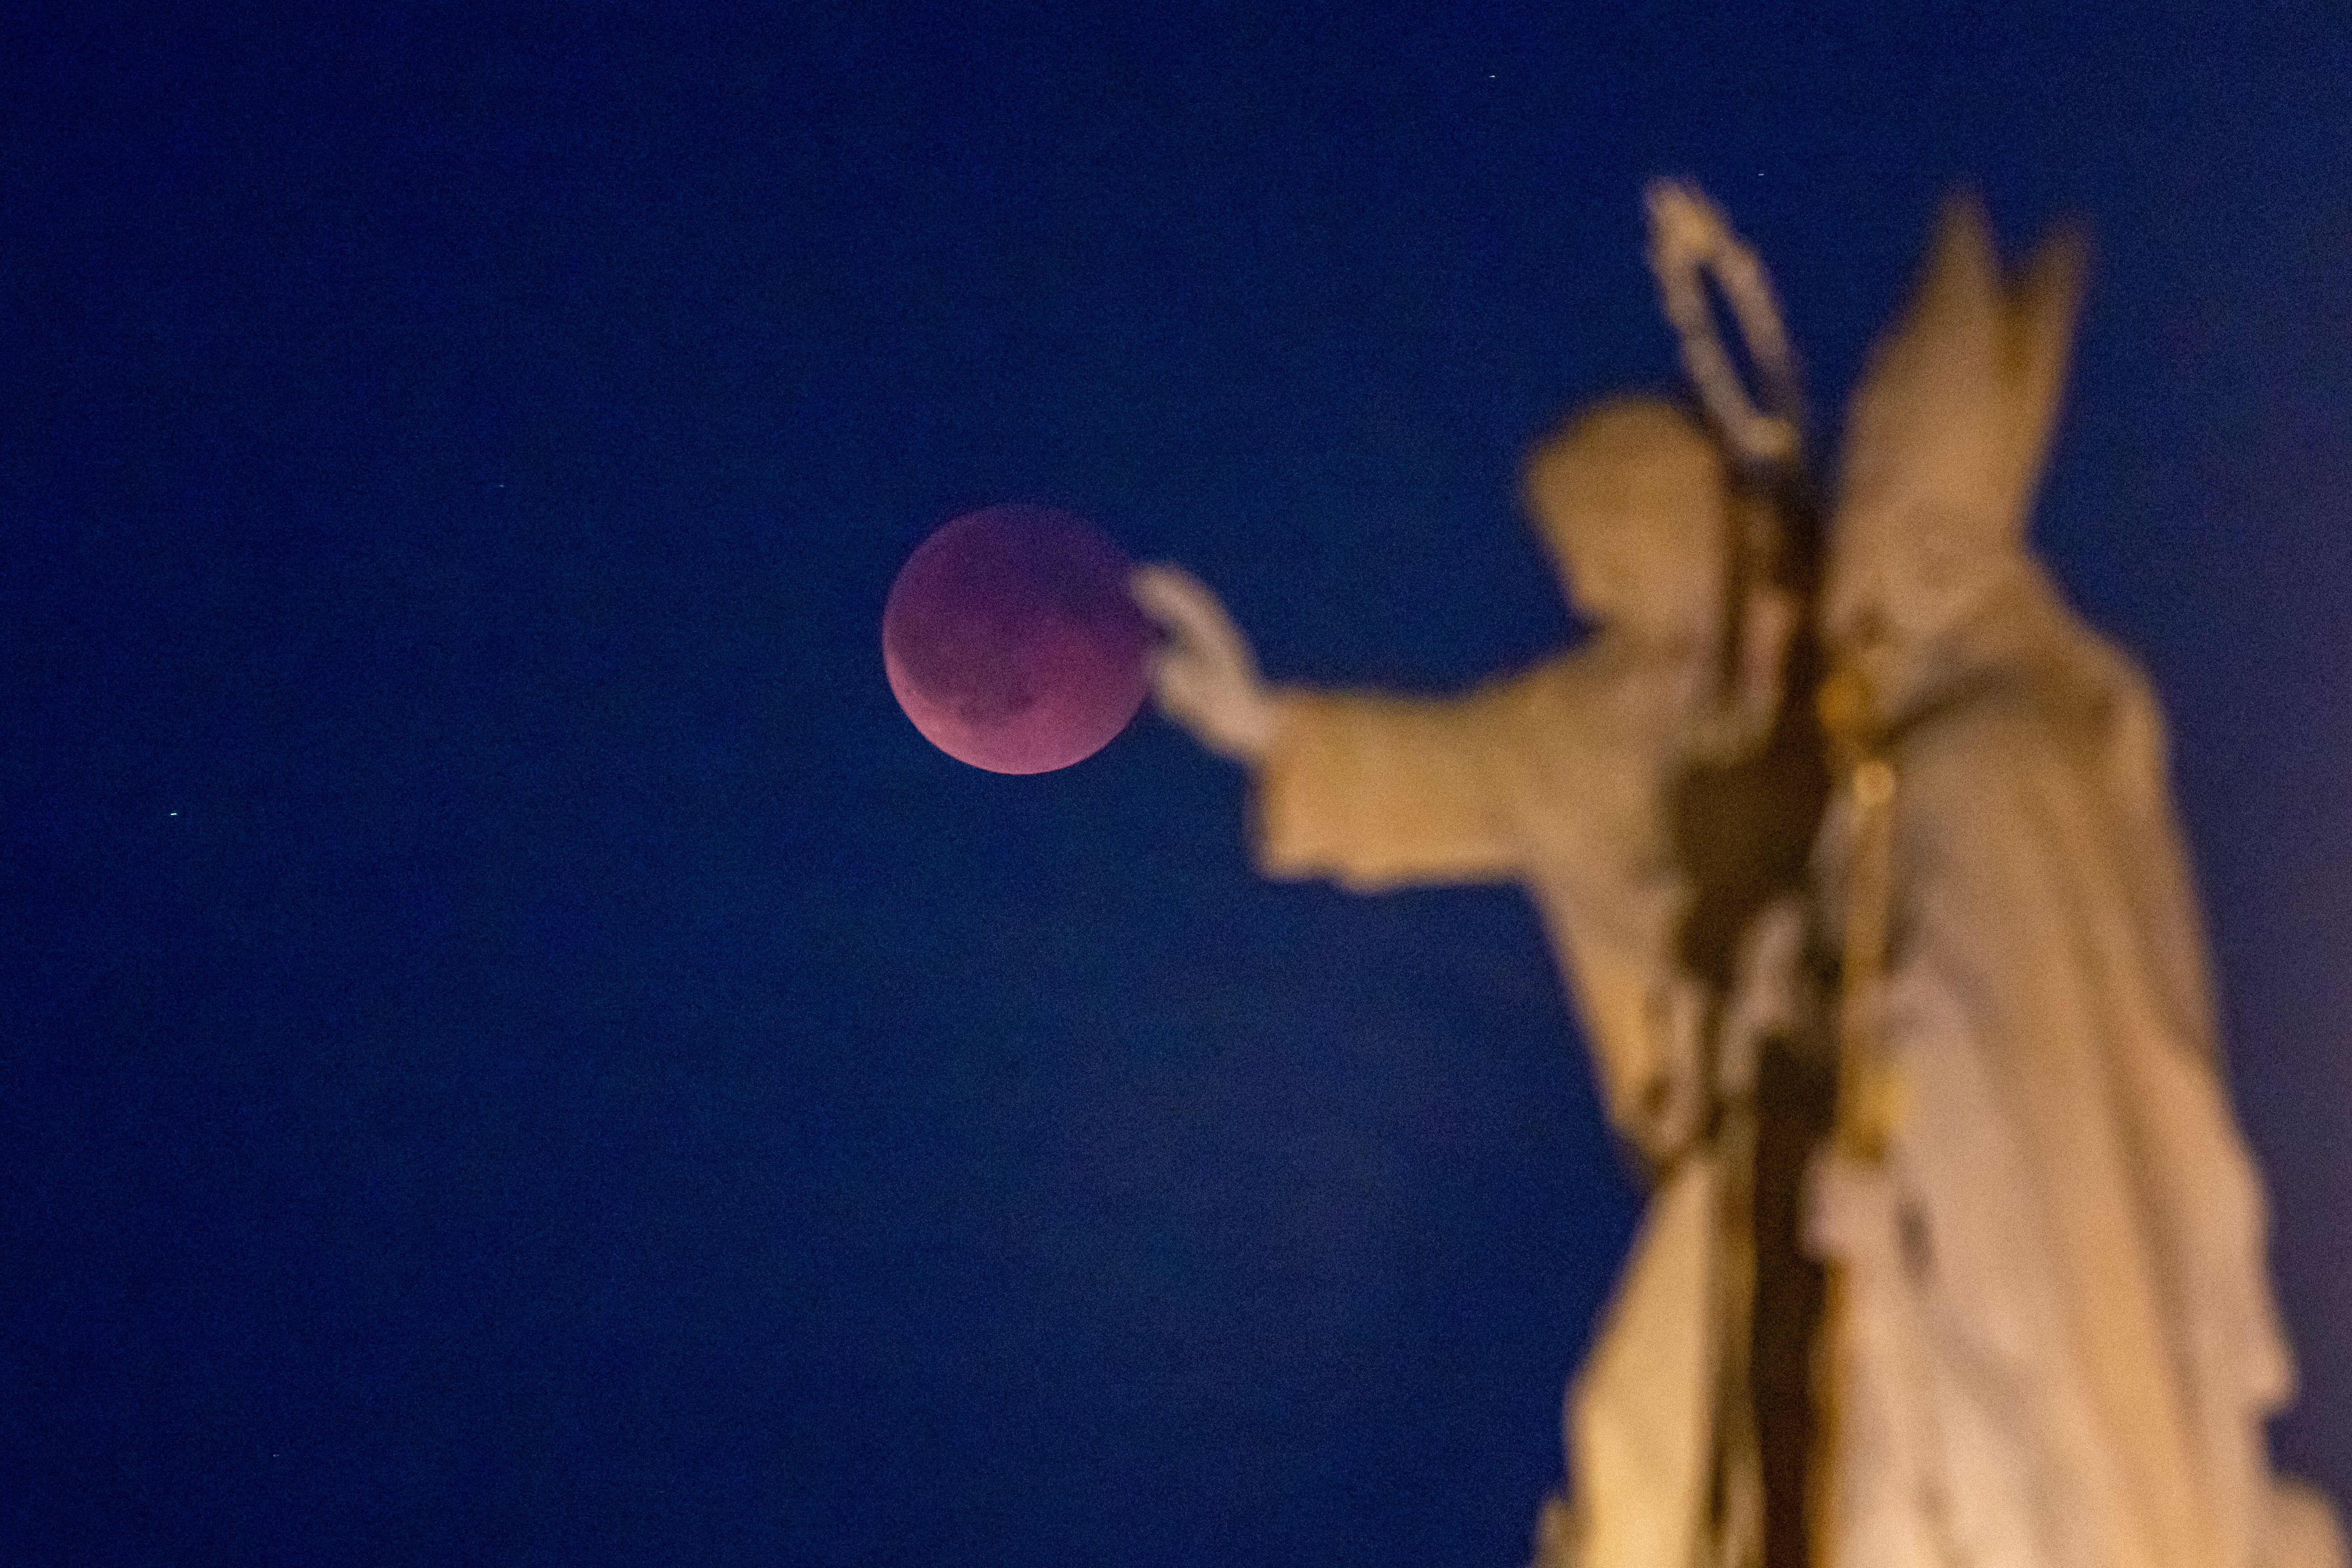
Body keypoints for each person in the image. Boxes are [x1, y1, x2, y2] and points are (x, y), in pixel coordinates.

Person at [1134, 393, 1820, 1568]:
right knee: (1649, 1431)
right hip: (1726, 1148)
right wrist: (1260, 726)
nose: (1590, 594)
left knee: (1655, 1415)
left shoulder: (1841, 658)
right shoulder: (1574, 732)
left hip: (1886, 1099)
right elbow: (1429, 767)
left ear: (1692, 519)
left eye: (1609, 553)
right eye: (1576, 566)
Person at [1806, 194, 2344, 1568]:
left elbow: (1998, 1140)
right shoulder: (2033, 758)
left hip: (2015, 1384)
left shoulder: (1974, 776)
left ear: (1924, 557)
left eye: (1860, 533)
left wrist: (1877, 1178)